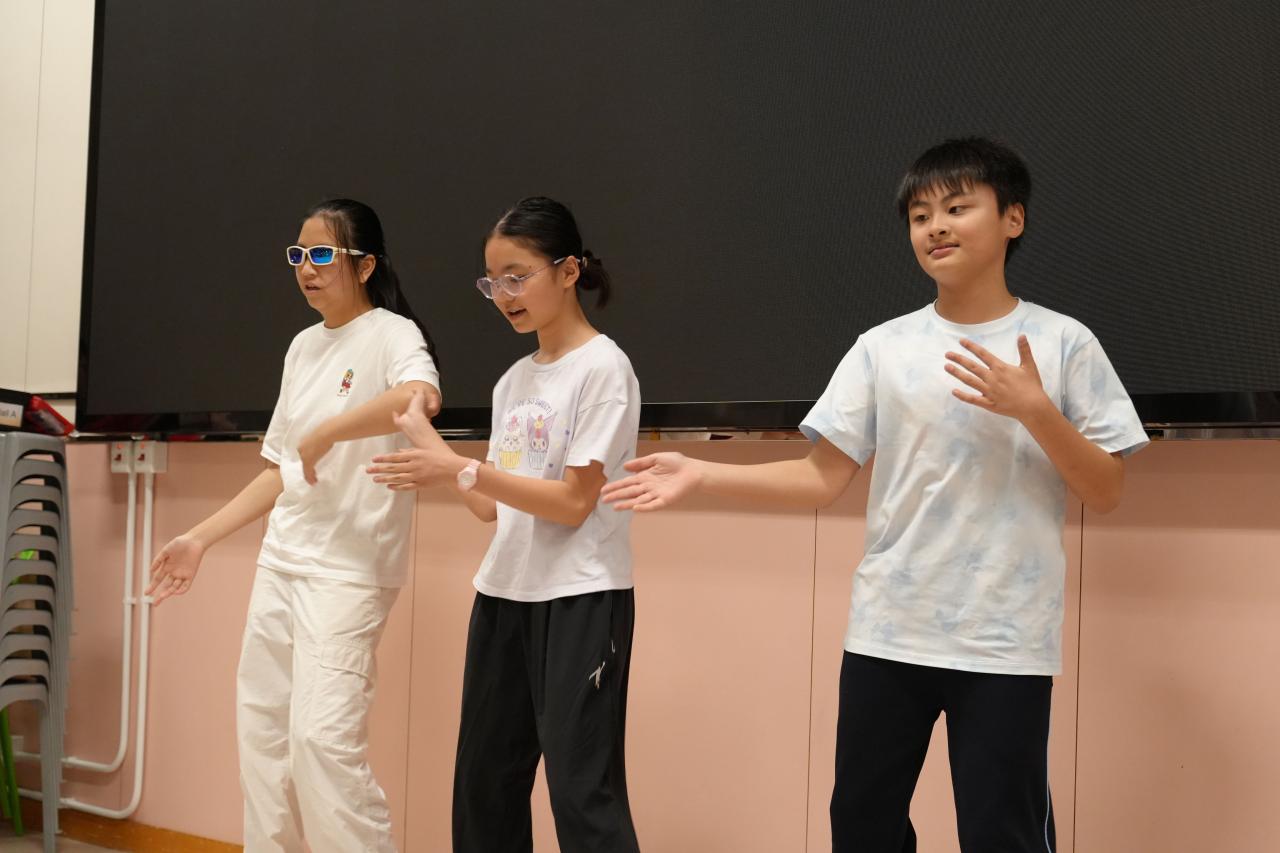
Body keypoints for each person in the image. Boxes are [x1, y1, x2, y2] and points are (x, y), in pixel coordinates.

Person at [602, 139, 1149, 852]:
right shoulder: (882, 347)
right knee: (862, 825)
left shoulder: (1063, 342)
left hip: (1005, 639)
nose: (936, 227)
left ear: (1012, 218)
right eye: (920, 216)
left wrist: (1035, 410)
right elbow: (821, 476)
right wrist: (704, 474)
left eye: (957, 207)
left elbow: (1106, 489)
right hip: (888, 629)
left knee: (1003, 832)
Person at [147, 199, 441, 852]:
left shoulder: (392, 334)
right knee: (263, 740)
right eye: (299, 255)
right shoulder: (303, 347)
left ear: (365, 265)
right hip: (282, 561)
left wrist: (331, 429)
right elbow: (279, 468)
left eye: (322, 254)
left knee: (321, 744)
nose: (306, 268)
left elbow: (418, 397)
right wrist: (200, 537)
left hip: (350, 572)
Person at [367, 196, 642, 853]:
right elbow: (491, 506)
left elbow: (573, 502)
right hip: (502, 596)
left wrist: (459, 467)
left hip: (581, 598)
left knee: (582, 792)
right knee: (484, 784)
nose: (503, 295)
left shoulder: (604, 368)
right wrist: (436, 453)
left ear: (568, 271)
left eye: (517, 277)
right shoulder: (513, 381)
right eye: (492, 282)